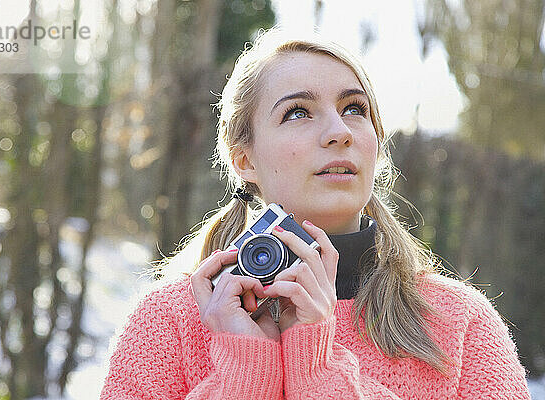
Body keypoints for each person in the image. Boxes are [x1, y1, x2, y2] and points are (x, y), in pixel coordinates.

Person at [100, 28, 530, 399]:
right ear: (244, 159)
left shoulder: (458, 323)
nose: (340, 132)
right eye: (298, 112)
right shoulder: (169, 322)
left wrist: (320, 371)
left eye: (354, 109)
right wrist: (243, 372)